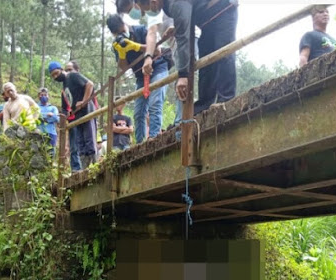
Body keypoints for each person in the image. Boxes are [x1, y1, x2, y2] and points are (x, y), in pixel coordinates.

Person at [135, 0, 238, 115]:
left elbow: (183, 38)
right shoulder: (169, 5)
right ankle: (204, 104)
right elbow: (187, 13)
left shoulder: (174, 3)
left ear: (153, 2)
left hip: (223, 9)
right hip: (207, 21)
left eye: (145, 9)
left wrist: (183, 75)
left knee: (224, 52)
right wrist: (177, 25)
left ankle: (226, 98)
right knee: (206, 61)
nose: (146, 13)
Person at [107, 14, 168, 144]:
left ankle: (154, 138)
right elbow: (123, 68)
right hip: (141, 76)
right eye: (118, 33)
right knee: (139, 112)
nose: (122, 34)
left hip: (157, 67)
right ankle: (140, 143)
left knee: (155, 103)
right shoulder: (117, 43)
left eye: (122, 31)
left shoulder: (141, 30)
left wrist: (135, 46)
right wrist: (122, 53)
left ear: (125, 25)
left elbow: (157, 50)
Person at [48, 61, 97, 169]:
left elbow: (89, 84)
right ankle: (85, 168)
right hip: (76, 115)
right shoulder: (64, 88)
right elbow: (65, 107)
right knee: (80, 142)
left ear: (61, 70)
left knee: (89, 138)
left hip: (86, 110)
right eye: (53, 76)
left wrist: (84, 101)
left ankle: (95, 165)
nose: (56, 77)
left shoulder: (72, 76)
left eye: (56, 73)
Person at [37, 88, 59, 156]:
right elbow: (36, 117)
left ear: (48, 96)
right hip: (39, 132)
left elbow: (57, 119)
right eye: (42, 95)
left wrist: (44, 118)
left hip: (51, 132)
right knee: (40, 152)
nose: (43, 96)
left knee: (51, 153)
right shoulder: (36, 107)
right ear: (39, 96)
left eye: (45, 95)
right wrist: (48, 116)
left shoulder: (53, 108)